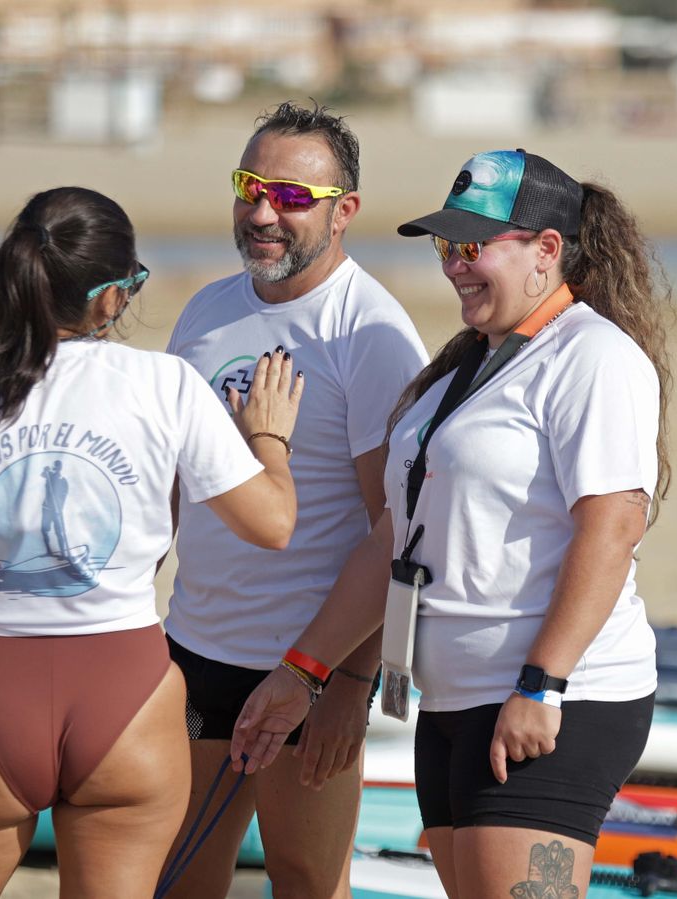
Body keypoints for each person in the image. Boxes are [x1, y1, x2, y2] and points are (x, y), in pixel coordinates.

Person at [0, 186, 303, 898]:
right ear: (113, 296)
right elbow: (272, 524)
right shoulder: (165, 384)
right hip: (127, 692)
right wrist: (267, 435)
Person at [230, 149, 674, 899]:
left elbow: (613, 525)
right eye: (447, 247)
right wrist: (301, 671)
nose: (456, 267)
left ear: (547, 250)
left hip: (554, 701)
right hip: (450, 703)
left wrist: (543, 683)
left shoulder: (594, 355)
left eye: (474, 247)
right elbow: (393, 539)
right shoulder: (468, 364)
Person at [159, 101, 428, 899]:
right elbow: (172, 488)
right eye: (249, 186)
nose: (262, 211)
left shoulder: (370, 333)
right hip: (194, 648)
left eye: (291, 196)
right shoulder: (207, 310)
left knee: (307, 880)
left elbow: (397, 528)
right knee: (179, 876)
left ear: (345, 212)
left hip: (306, 666)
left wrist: (347, 683)